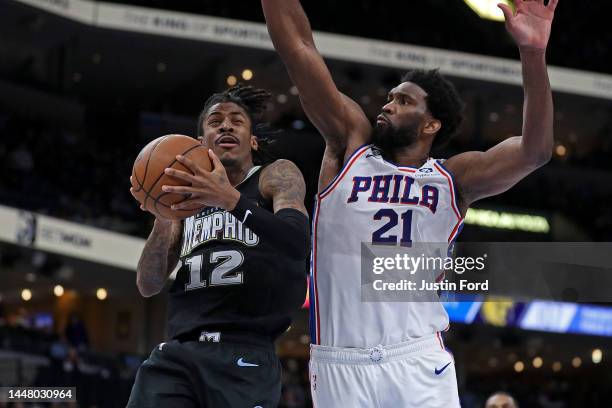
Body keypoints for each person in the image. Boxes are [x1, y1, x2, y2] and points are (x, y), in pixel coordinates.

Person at [261, 0, 558, 406]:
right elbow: (299, 48)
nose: (387, 104)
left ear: (431, 124)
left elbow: (535, 151)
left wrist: (533, 53)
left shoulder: (454, 178)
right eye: (390, 97)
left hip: (416, 358)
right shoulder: (350, 146)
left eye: (404, 101)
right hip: (339, 363)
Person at [127, 85, 310, 407]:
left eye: (237, 120)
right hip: (179, 354)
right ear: (199, 145)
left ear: (252, 141)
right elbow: (147, 284)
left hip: (245, 353)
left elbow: (297, 242)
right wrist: (161, 214)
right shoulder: (182, 206)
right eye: (215, 121)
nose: (225, 125)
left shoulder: (274, 175)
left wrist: (232, 200)